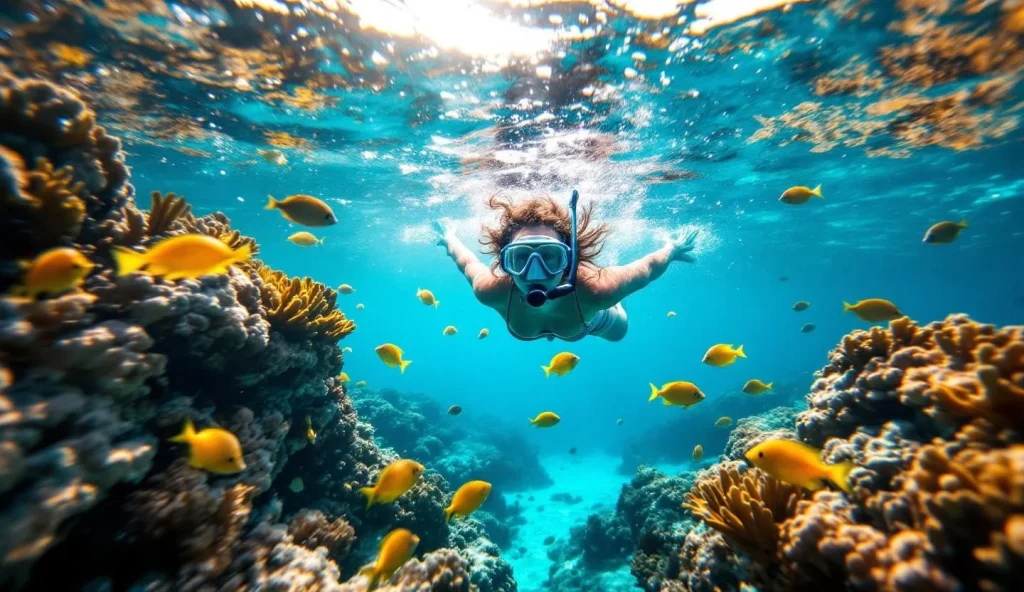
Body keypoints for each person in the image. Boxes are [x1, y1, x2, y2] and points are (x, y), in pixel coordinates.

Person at [435, 190, 698, 342]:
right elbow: (465, 260)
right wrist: (449, 238)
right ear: (506, 262)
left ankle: (618, 305)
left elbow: (648, 268)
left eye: (550, 256)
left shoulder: (599, 289)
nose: (535, 272)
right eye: (521, 257)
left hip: (591, 321)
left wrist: (672, 249)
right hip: (574, 321)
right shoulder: (490, 290)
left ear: (569, 260)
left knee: (620, 333)